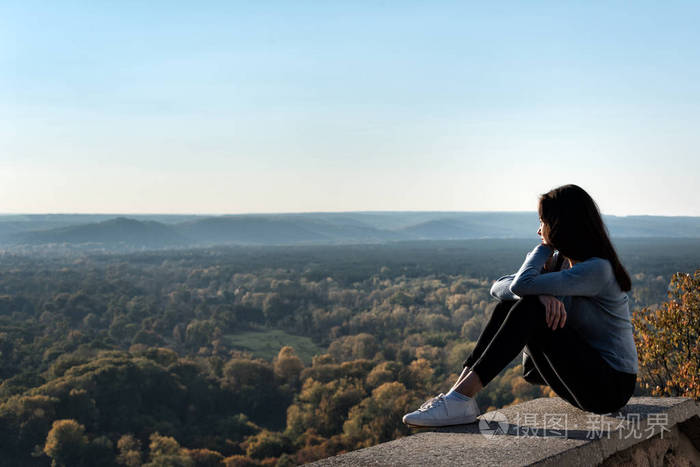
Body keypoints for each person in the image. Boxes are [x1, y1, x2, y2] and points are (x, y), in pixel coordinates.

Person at [402, 184, 638, 427]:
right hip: (582, 374)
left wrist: (540, 251)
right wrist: (542, 295)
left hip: (610, 386)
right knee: (511, 306)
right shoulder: (560, 262)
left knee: (530, 305)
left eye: (542, 222)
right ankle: (457, 396)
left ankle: (459, 399)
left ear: (559, 225)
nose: (538, 231)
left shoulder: (597, 269)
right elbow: (499, 287)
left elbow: (520, 285)